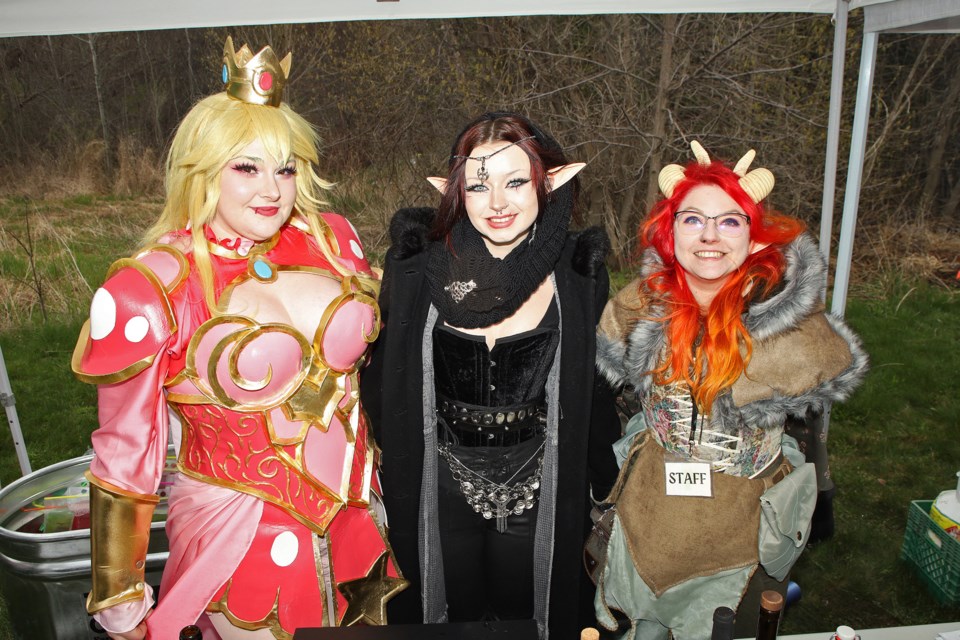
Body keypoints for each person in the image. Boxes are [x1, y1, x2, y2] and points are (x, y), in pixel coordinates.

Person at [71, 37, 406, 640]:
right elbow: (125, 454)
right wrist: (119, 598)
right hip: (241, 539)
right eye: (245, 167)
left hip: (360, 525)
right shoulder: (151, 288)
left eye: (284, 167)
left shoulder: (333, 239)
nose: (272, 191)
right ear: (203, 171)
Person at [593, 141, 868, 640]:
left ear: (755, 238)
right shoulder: (637, 308)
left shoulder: (794, 333)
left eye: (730, 221)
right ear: (670, 233)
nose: (710, 237)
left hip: (741, 530)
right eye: (693, 219)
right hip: (649, 514)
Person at [362, 112, 620, 639]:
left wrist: (605, 486)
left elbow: (596, 389)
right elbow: (384, 374)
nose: (497, 203)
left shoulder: (578, 272)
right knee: (446, 615)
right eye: (478, 185)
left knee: (526, 617)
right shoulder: (418, 266)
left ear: (548, 181)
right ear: (456, 191)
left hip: (541, 486)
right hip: (439, 487)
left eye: (515, 182)